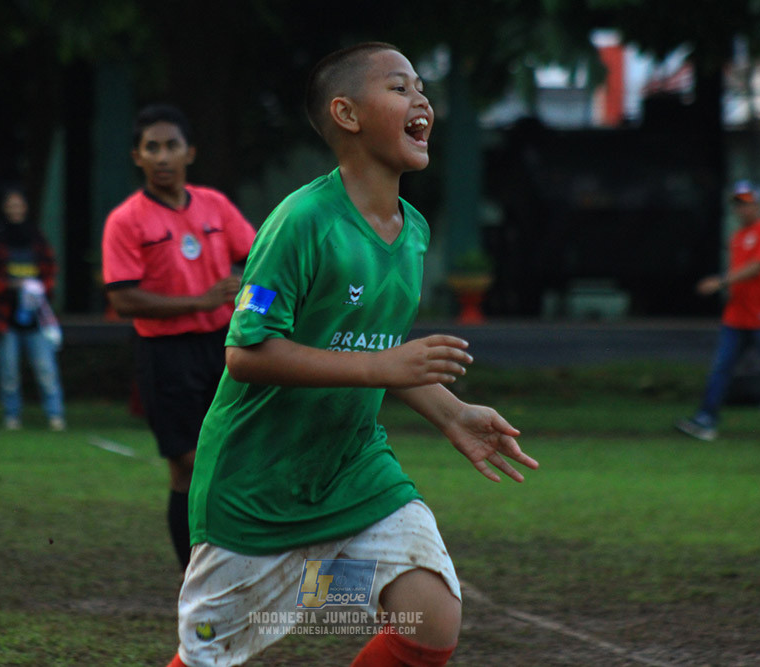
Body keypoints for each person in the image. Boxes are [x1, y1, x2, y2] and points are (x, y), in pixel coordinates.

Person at [167, 43, 539, 667]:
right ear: (346, 113)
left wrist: (451, 414)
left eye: (423, 89)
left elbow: (376, 345)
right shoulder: (301, 222)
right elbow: (246, 353)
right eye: (400, 88)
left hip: (353, 471)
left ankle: (308, 584)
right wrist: (380, 369)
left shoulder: (413, 231)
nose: (422, 100)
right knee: (210, 653)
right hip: (258, 490)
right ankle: (292, 586)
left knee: (430, 615)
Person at [101, 104, 257, 573]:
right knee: (187, 465)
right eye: (153, 147)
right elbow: (124, 300)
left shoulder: (215, 206)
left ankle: (237, 560)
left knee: (237, 458)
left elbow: (257, 260)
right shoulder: (126, 221)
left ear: (190, 152)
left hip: (227, 349)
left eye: (172, 145)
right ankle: (195, 575)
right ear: (137, 157)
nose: (163, 156)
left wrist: (256, 308)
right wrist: (201, 301)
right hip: (165, 355)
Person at [675, 180, 760, 442]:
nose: (742, 209)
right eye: (738, 204)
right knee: (720, 369)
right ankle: (706, 419)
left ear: (759, 204)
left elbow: (759, 266)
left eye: (747, 204)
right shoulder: (736, 237)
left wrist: (721, 281)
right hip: (736, 316)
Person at [0, 188, 66, 431]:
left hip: (37, 319)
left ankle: (55, 416)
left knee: (46, 370)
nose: (15, 210)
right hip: (4, 317)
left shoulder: (37, 238)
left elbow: (51, 272)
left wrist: (39, 288)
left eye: (19, 205)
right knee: (9, 373)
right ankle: (12, 417)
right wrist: (12, 285)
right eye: (11, 205)